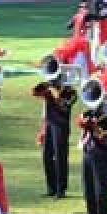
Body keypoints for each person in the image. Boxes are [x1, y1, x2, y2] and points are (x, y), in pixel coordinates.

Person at [33, 69, 76, 199]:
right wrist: (46, 86)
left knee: (60, 157)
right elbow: (34, 92)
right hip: (49, 125)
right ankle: (51, 187)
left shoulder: (70, 92)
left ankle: (61, 189)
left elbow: (64, 105)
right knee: (47, 156)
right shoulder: (48, 87)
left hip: (61, 127)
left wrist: (54, 91)